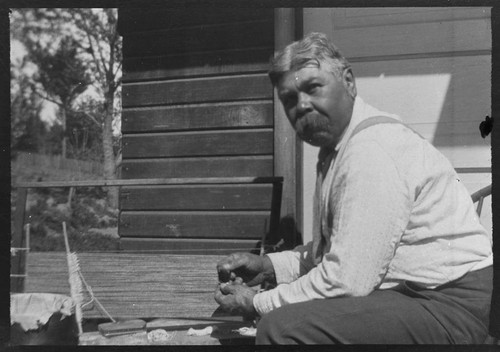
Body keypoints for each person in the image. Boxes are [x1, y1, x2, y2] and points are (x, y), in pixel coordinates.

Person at [214, 32, 493, 344]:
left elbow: (346, 279)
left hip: (449, 307)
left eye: (313, 88)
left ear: (348, 81)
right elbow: (334, 254)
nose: (301, 105)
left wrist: (255, 303)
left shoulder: (370, 150)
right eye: (289, 99)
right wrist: (270, 267)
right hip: (413, 295)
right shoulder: (337, 151)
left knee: (281, 329)